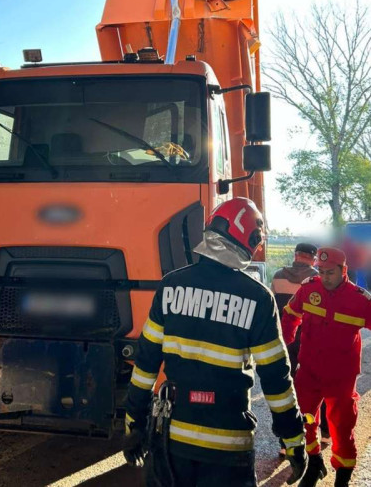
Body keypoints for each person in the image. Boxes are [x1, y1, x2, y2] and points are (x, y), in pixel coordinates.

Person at [123, 198, 307, 487]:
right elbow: (275, 377)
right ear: (251, 240)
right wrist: (293, 439)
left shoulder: (170, 287)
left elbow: (145, 362)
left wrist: (134, 420)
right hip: (229, 448)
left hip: (172, 442)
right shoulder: (257, 298)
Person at [281, 247, 371, 487]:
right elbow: (290, 315)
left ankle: (342, 478)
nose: (325, 277)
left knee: (342, 429)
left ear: (344, 270)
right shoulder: (310, 288)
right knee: (306, 419)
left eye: (330, 272)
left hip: (340, 379)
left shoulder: (360, 300)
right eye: (321, 271)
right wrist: (284, 348)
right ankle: (314, 462)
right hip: (309, 373)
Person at [271, 243, 328, 454]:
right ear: (313, 259)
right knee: (317, 384)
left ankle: (287, 442)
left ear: (295, 255)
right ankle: (324, 432)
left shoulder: (278, 276)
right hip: (312, 340)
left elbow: (276, 307)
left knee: (287, 387)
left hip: (285, 339)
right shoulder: (319, 280)